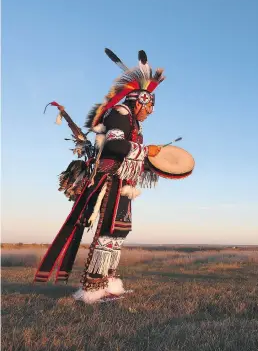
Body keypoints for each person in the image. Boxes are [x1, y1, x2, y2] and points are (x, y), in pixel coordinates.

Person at [33, 48, 166, 303]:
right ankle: (93, 288)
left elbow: (128, 151)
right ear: (140, 100)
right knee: (107, 232)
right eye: (150, 106)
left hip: (124, 182)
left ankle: (110, 283)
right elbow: (115, 146)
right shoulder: (120, 114)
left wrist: (148, 161)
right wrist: (145, 151)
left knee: (119, 232)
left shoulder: (133, 123)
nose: (150, 112)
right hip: (110, 181)